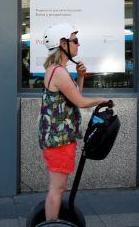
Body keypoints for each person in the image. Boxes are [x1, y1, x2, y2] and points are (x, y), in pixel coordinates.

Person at [39, 23, 111, 222]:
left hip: (60, 137)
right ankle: (51, 225)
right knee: (57, 188)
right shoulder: (59, 72)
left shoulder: (59, 70)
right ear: (62, 44)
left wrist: (80, 77)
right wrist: (102, 99)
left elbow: (74, 97)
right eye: (75, 41)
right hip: (58, 139)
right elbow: (80, 102)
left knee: (58, 187)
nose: (78, 45)